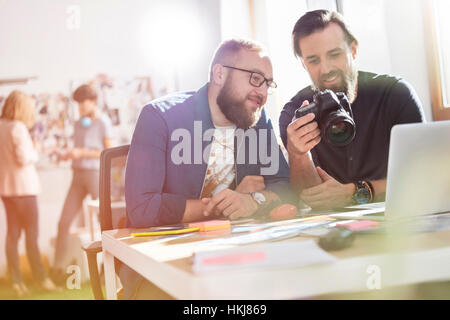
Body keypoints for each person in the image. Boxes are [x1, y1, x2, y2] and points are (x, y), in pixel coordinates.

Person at [122, 38, 295, 299]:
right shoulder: (160, 116)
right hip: (163, 261)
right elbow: (142, 209)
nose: (263, 93)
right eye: (256, 79)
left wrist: (254, 200)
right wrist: (214, 206)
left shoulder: (259, 122)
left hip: (236, 255)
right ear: (219, 73)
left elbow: (284, 186)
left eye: (268, 84)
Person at [279, 10, 425, 210]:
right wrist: (298, 154)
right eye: (313, 61)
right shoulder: (295, 114)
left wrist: (355, 192)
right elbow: (314, 197)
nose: (326, 69)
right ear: (304, 64)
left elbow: (421, 177)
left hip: (397, 213)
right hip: (333, 226)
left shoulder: (395, 94)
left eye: (335, 54)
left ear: (353, 50)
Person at [52, 84, 114, 284]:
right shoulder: (79, 123)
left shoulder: (104, 122)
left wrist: (83, 153)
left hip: (95, 175)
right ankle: (57, 271)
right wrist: (68, 154)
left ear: (93, 101)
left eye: (82, 103)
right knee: (63, 223)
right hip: (77, 175)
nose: (79, 106)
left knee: (106, 223)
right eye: (77, 103)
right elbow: (77, 149)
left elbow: (109, 152)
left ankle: (109, 267)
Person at [0, 90, 58, 297]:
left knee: (12, 236)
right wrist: (36, 149)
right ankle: (41, 280)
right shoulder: (18, 128)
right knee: (31, 237)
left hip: (6, 190)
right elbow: (25, 158)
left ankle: (17, 282)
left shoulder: (1, 126)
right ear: (22, 108)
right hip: (24, 190)